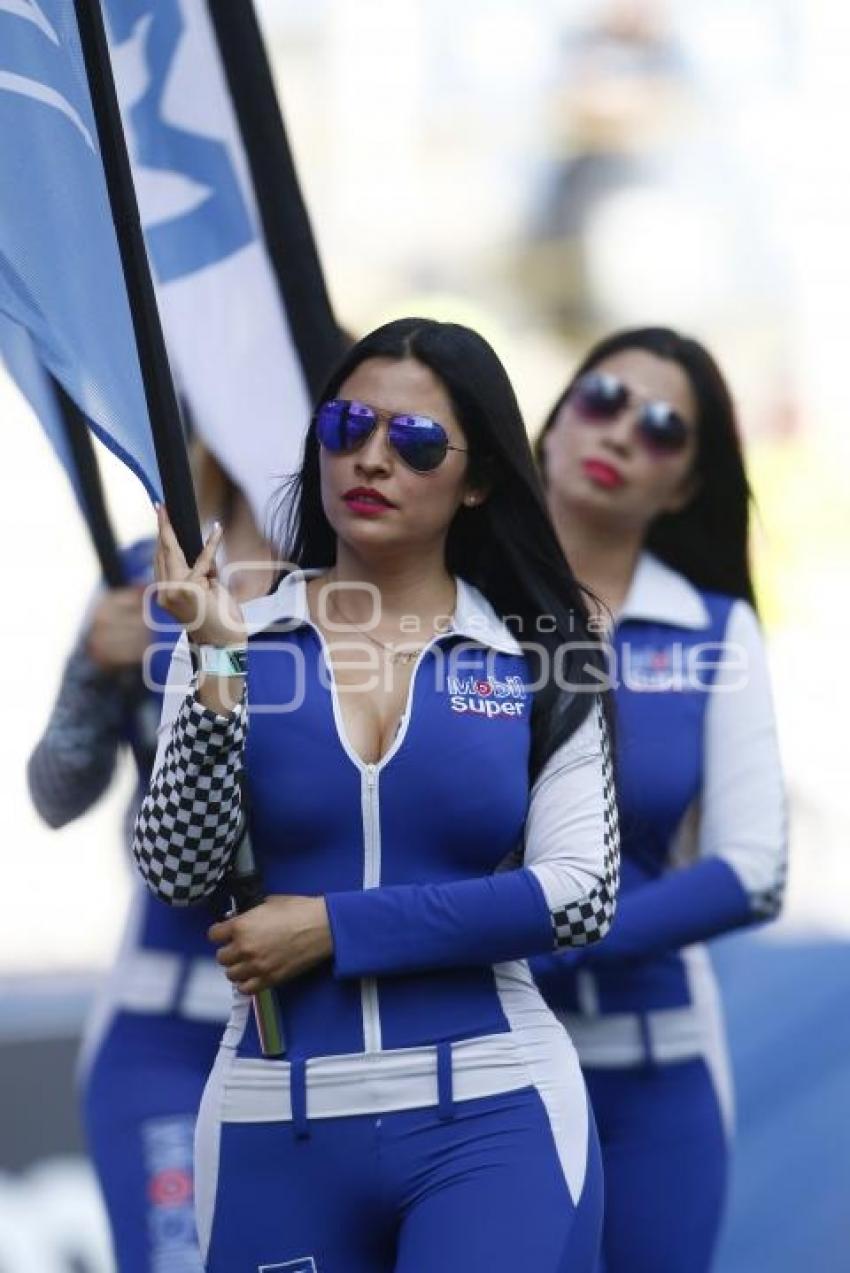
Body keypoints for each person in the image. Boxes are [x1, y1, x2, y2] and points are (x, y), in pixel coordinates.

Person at [133, 317, 620, 1272]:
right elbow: (179, 869)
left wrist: (336, 927)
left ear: (477, 480)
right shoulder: (235, 633)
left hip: (494, 1110)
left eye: (417, 441)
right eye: (348, 424)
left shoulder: (540, 654)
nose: (372, 457)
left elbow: (578, 893)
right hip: (276, 1120)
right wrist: (218, 666)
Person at [530, 326, 787, 1273]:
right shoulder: (450, 610)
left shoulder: (715, 630)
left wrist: (534, 935)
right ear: (552, 425)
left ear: (685, 483)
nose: (623, 431)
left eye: (666, 426)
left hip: (657, 1074)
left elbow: (752, 871)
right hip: (490, 1068)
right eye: (601, 397)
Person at [28, 446, 274, 1273]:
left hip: (322, 1026)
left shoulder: (381, 599)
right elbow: (56, 792)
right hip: (163, 1028)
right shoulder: (147, 577)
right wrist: (93, 672)